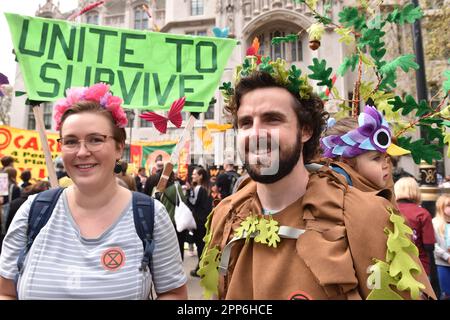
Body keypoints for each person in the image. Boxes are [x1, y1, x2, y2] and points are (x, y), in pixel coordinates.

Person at [198, 60, 435, 299]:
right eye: (246, 123)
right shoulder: (225, 215)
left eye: (272, 119)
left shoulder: (368, 215)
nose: (257, 133)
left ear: (305, 130)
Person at [0, 83, 187, 299]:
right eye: (70, 141)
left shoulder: (152, 216)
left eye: (95, 140)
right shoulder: (32, 211)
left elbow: (173, 293)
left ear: (119, 147)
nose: (81, 152)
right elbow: (6, 293)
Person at [394, 177, 436, 277]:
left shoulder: (389, 210)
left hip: (395, 267)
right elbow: (429, 246)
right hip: (418, 267)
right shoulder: (422, 214)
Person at [187, 167, 212, 277]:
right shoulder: (208, 188)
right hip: (207, 220)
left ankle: (201, 269)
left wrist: (188, 191)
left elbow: (193, 203)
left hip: (199, 221)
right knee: (204, 245)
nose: (192, 176)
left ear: (200, 176)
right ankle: (202, 268)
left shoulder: (198, 188)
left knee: (200, 246)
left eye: (194, 174)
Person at [159, 172, 188, 260]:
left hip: (164, 221)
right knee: (179, 244)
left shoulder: (158, 189)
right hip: (176, 220)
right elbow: (183, 201)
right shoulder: (175, 187)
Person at [432, 194, 450, 299]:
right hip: (442, 264)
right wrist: (446, 256)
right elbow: (433, 245)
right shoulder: (435, 223)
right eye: (448, 205)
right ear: (441, 207)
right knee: (445, 293)